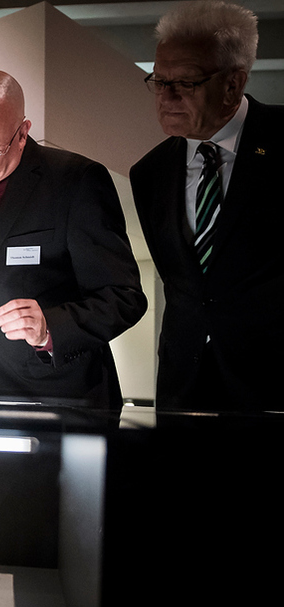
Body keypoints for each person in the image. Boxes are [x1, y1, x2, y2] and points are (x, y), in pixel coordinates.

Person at [0, 69, 146, 408]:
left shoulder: (75, 182)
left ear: (23, 133)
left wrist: (49, 329)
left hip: (50, 398)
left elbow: (124, 296)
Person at [130, 1, 282, 411]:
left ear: (233, 83)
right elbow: (184, 288)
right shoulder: (149, 174)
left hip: (273, 388)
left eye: (185, 83)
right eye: (159, 81)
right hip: (184, 391)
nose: (167, 96)